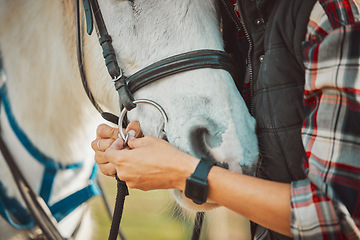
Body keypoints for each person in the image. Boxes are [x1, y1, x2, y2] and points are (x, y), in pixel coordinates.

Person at [92, 0, 360, 239]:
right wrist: (148, 145)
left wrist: (184, 172)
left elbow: (334, 218)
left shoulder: (326, 15)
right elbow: (226, 173)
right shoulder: (236, 20)